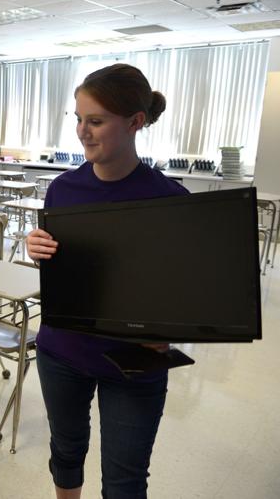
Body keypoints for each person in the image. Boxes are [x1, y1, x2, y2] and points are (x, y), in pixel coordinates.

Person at [26, 64, 188, 499]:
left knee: (124, 480)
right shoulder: (63, 189)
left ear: (136, 122)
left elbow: (185, 288)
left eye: (95, 121)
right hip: (63, 350)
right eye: (79, 119)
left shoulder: (170, 200)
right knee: (66, 452)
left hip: (133, 360)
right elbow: (67, 273)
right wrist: (40, 251)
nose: (82, 131)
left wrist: (169, 330)